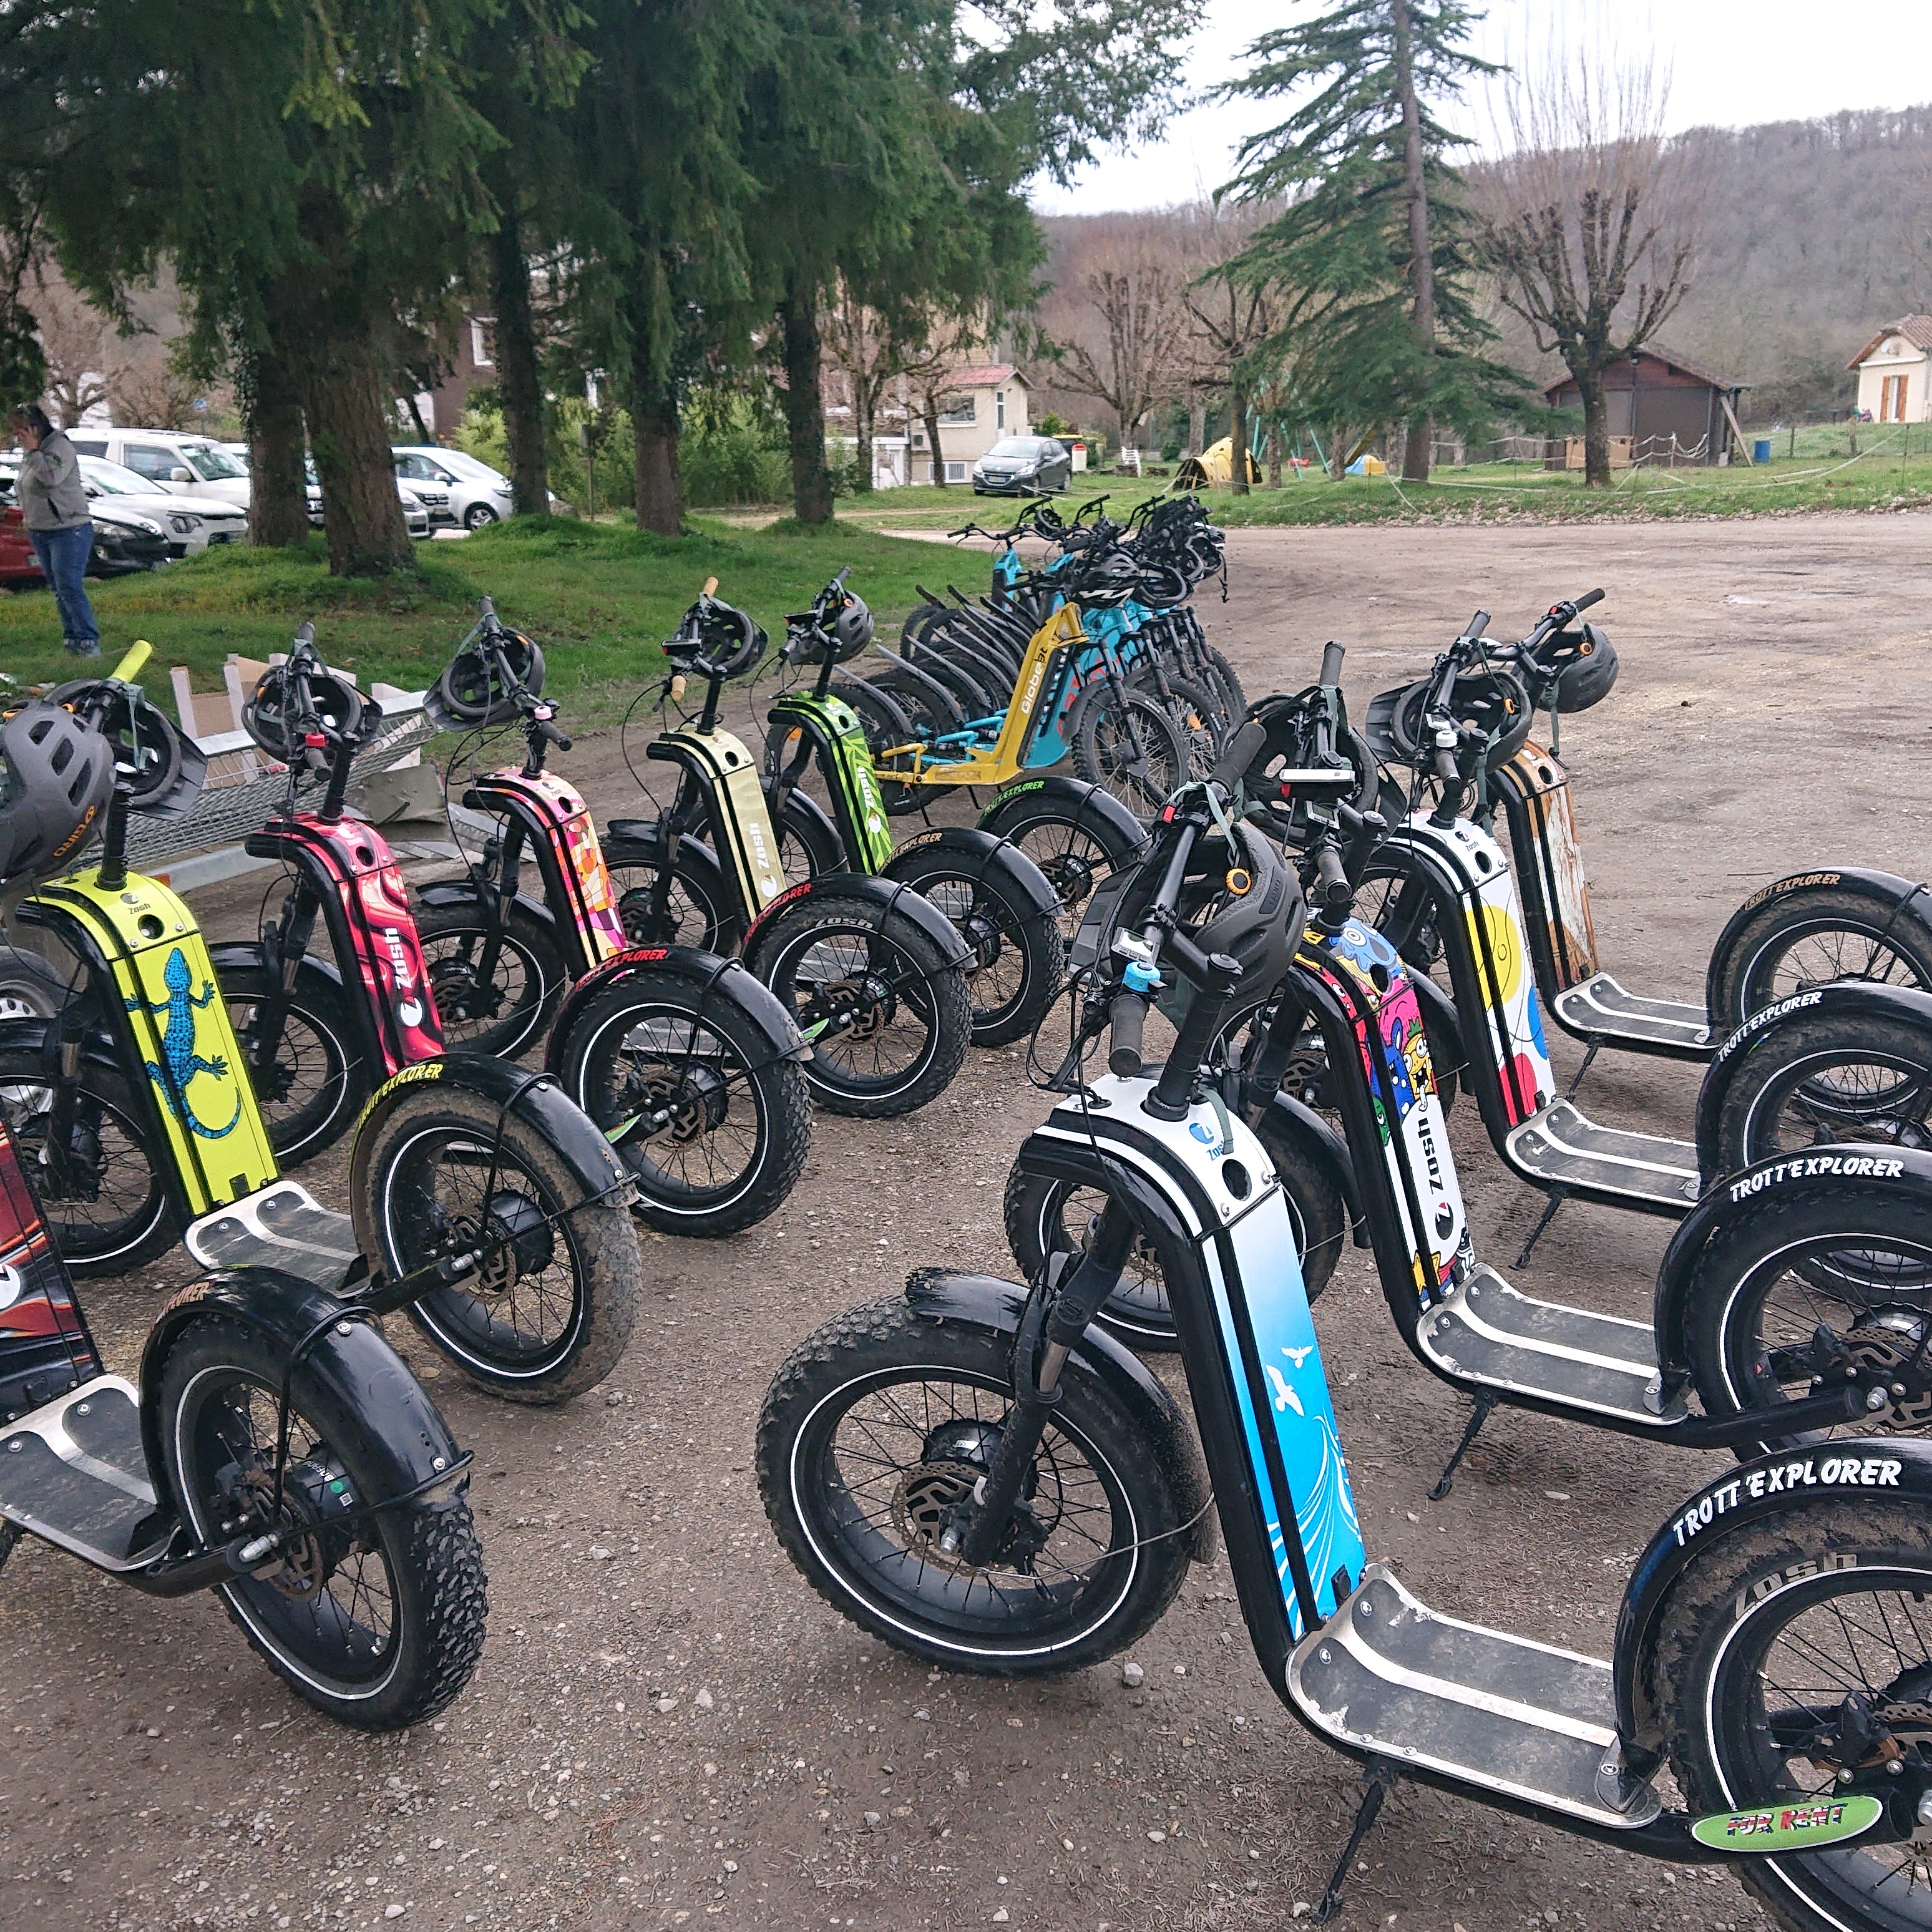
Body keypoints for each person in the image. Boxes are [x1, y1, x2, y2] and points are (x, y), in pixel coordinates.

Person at [11, 403, 99, 658]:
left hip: (68, 527)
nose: (16, 435)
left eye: (20, 430)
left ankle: (88, 639)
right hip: (41, 529)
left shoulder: (60, 447)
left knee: (69, 585)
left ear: (33, 428)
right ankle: (71, 636)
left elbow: (51, 479)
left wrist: (35, 452)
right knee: (57, 587)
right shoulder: (31, 454)